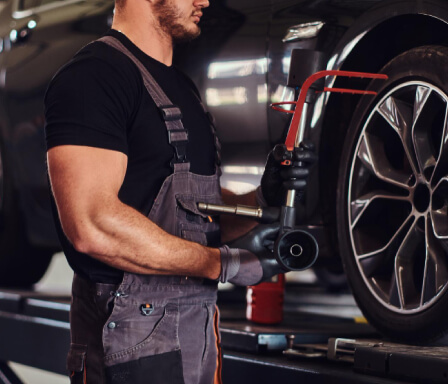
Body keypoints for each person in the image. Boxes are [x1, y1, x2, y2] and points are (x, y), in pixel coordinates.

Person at [44, 0, 315, 383]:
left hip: (195, 330)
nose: (204, 0)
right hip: (131, 335)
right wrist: (222, 264)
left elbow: (193, 216)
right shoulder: (94, 76)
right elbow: (92, 225)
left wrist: (259, 199)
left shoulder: (181, 87)